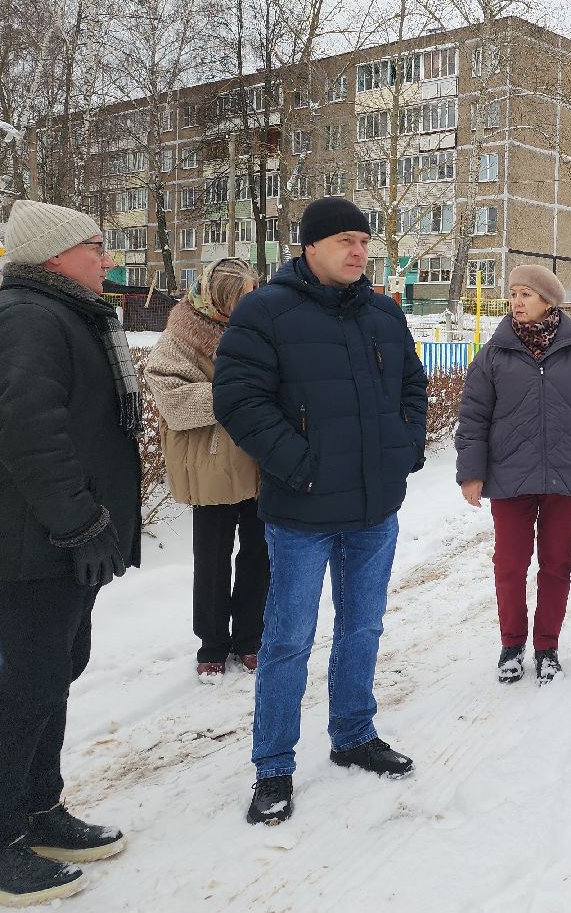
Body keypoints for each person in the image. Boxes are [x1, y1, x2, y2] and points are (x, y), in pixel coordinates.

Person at [214, 197, 428, 826]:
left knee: (363, 627)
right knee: (287, 640)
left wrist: (404, 449)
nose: (358, 252)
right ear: (309, 246)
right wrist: (300, 466)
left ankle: (354, 735)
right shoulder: (265, 311)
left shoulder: (383, 313)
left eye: (364, 240)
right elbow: (239, 401)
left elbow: (412, 386)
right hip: (301, 513)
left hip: (374, 509)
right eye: (343, 240)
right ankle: (273, 767)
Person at [0, 202, 140, 905]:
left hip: (66, 542)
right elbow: (27, 432)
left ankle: (38, 808)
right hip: (39, 541)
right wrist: (80, 523)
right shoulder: (26, 319)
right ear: (53, 255)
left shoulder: (64, 314)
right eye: (95, 246)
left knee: (54, 673)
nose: (106, 258)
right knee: (28, 684)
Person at [455, 265, 571, 686]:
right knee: (510, 565)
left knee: (555, 565)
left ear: (549, 301)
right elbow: (473, 418)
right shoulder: (494, 354)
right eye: (513, 293)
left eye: (526, 294)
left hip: (566, 475)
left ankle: (547, 647)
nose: (517, 302)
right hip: (509, 476)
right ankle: (512, 645)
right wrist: (471, 474)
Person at [146, 258, 268, 683]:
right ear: (218, 296)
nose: (249, 303)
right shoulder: (181, 333)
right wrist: (233, 395)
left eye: (253, 293)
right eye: (240, 296)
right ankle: (212, 643)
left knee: (260, 554)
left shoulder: (263, 329)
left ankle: (251, 637)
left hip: (261, 458)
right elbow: (169, 395)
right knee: (213, 559)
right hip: (212, 459)